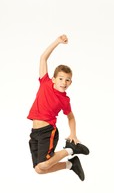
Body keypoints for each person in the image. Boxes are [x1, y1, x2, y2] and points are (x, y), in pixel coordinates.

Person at [27, 34, 89, 181]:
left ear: (70, 83)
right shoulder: (45, 83)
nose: (64, 82)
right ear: (54, 79)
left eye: (68, 80)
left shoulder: (64, 100)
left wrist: (73, 134)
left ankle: (71, 149)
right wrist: (57, 42)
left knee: (44, 164)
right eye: (61, 78)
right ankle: (71, 164)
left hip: (47, 131)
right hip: (35, 132)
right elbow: (43, 58)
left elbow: (71, 117)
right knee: (39, 169)